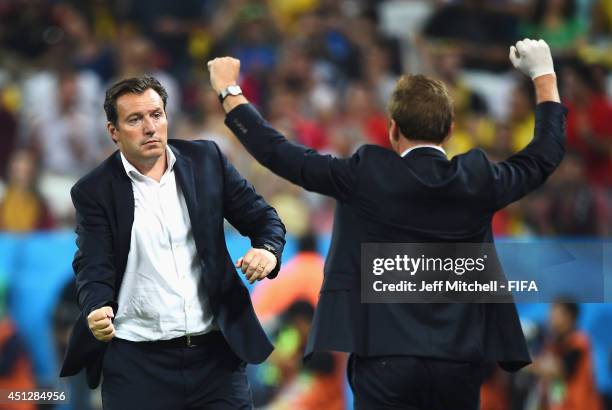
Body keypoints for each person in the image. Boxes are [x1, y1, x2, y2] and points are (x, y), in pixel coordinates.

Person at [208, 38, 567, 410]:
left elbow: (279, 154)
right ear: (449, 131)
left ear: (393, 130)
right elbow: (543, 156)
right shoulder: (478, 179)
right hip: (458, 366)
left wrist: (229, 92)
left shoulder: (366, 174)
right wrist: (543, 74)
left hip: (385, 365)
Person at [59, 76, 286, 410]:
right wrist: (96, 306)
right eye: (135, 119)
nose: (150, 127)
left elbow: (264, 219)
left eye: (156, 114)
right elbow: (93, 263)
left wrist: (267, 250)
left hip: (215, 360)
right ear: (114, 132)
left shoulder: (207, 160)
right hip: (137, 366)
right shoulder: (94, 191)